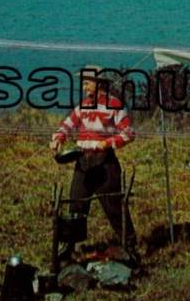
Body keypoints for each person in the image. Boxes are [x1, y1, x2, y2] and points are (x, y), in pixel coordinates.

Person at [49, 66, 137, 260]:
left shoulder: (115, 105)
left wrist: (106, 143)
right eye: (83, 82)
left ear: (99, 83)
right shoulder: (82, 106)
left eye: (87, 82)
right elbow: (67, 125)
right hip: (83, 161)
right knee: (76, 205)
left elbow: (129, 133)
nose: (84, 86)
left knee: (113, 206)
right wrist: (57, 139)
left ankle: (130, 245)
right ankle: (69, 248)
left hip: (105, 162)